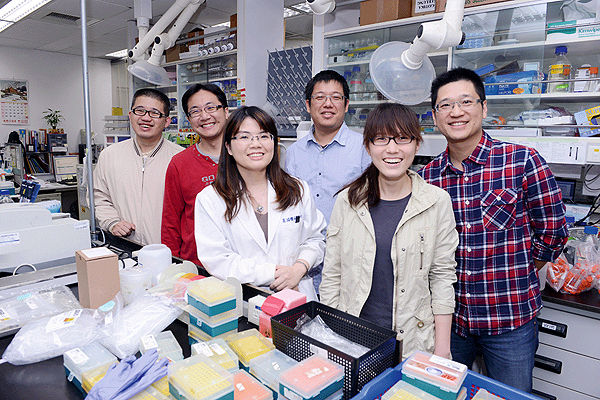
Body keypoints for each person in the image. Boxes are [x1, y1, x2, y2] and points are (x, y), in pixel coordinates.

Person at [419, 67, 568, 392]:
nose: (456, 112)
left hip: (509, 320)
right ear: (434, 116)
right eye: (445, 105)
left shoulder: (522, 161)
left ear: (484, 108)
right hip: (449, 323)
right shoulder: (428, 177)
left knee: (510, 396)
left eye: (465, 102)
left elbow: (554, 232)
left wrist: (521, 273)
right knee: (444, 394)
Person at [320, 104, 458, 359]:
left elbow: (442, 277)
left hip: (414, 341)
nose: (392, 149)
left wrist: (442, 349)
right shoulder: (347, 201)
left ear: (417, 145)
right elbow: (332, 274)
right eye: (381, 139)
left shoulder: (436, 201)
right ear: (368, 145)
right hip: (353, 337)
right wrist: (331, 336)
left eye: (403, 138)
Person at [194, 106, 326, 300]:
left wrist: (299, 268)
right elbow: (218, 260)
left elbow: (316, 239)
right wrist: (274, 273)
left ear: (274, 143)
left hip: (298, 297)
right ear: (229, 147)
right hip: (245, 301)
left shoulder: (297, 189)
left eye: (264, 136)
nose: (256, 144)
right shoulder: (210, 199)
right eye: (245, 137)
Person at [285, 70, 371, 290]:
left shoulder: (364, 148)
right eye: (320, 97)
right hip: (303, 259)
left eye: (335, 97)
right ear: (308, 105)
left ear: (346, 104)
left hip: (348, 258)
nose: (328, 104)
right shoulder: (294, 152)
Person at [94, 88, 182, 245]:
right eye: (140, 111)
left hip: (168, 250)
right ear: (130, 115)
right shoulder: (109, 155)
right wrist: (112, 222)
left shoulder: (180, 158)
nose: (146, 118)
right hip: (124, 246)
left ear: (166, 121)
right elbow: (99, 196)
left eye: (155, 113)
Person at [161, 84, 228, 265]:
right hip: (195, 266)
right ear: (189, 119)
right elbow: (170, 222)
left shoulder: (244, 156)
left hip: (242, 266)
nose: (205, 116)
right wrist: (172, 265)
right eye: (195, 111)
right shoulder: (179, 163)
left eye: (211, 107)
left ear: (226, 111)